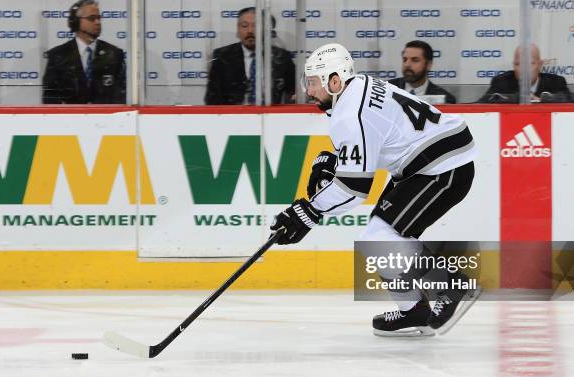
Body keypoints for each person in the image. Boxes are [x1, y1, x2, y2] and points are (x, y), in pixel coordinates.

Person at [270, 43, 480, 337]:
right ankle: (415, 312)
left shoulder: (349, 114)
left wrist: (308, 211)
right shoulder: (357, 87)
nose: (308, 90)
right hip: (429, 159)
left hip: (442, 166)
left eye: (313, 82)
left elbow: (355, 188)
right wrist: (333, 158)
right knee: (376, 239)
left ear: (334, 81)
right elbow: (372, 132)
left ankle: (449, 284)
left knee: (380, 238)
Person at [204, 7, 295, 105]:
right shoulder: (221, 57)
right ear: (238, 31)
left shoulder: (282, 57)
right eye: (244, 26)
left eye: (256, 26)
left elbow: (294, 92)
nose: (250, 31)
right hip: (232, 117)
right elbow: (212, 99)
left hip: (270, 117)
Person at [43, 0, 126, 104]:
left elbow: (122, 96)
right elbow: (50, 99)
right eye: (92, 18)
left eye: (99, 18)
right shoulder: (58, 56)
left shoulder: (114, 55)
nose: (97, 22)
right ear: (76, 22)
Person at [477, 44, 571, 103]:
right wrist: (519, 98)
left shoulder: (557, 82)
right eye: (519, 64)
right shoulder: (501, 82)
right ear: (513, 65)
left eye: (530, 63)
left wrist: (543, 100)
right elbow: (479, 106)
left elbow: (571, 102)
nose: (524, 69)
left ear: (540, 64)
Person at [389, 40, 456, 104]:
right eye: (405, 59)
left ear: (428, 65)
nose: (407, 64)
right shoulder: (387, 89)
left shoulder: (445, 99)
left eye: (415, 60)